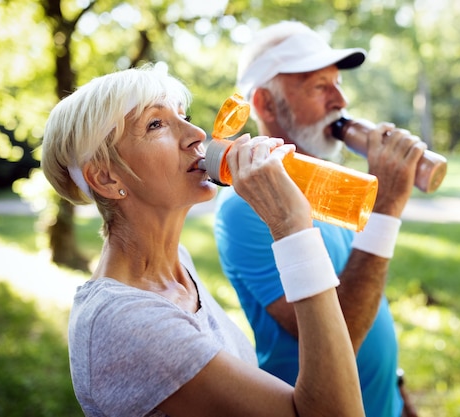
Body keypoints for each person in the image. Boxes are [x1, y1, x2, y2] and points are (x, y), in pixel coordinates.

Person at [41, 65, 366, 417]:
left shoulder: (176, 265)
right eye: (156, 124)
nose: (196, 134)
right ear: (105, 177)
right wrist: (292, 229)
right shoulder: (125, 321)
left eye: (184, 116)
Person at [214, 21, 424, 417]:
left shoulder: (329, 185)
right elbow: (341, 335)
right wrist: (387, 209)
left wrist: (396, 390)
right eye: (318, 86)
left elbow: (365, 290)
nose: (340, 99)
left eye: (338, 83)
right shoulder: (247, 207)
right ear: (265, 105)